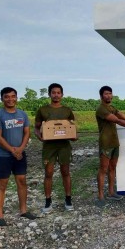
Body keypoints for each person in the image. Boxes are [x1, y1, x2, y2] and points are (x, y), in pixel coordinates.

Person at [0, 87, 36, 226]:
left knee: (22, 181)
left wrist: (21, 149)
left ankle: (23, 210)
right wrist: (12, 150)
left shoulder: (22, 114)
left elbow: (27, 132)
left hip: (20, 154)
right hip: (3, 155)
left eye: (13, 96)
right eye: (7, 97)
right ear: (2, 99)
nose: (10, 99)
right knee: (2, 184)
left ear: (16, 97)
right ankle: (0, 216)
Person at [34, 83, 77, 213]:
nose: (56, 95)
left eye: (58, 93)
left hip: (64, 146)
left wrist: (74, 136)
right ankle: (48, 201)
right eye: (54, 92)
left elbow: (72, 127)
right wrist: (39, 136)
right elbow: (36, 127)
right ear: (49, 94)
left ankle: (68, 199)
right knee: (48, 173)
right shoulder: (43, 110)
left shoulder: (67, 110)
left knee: (65, 172)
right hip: (49, 147)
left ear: (62, 95)